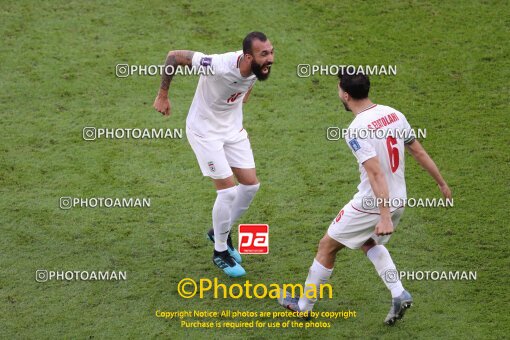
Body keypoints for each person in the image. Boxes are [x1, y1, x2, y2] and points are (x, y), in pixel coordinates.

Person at [278, 72, 452, 325]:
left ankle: (303, 306)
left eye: (339, 89)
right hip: (399, 199)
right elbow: (418, 151)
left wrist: (383, 216)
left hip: (373, 204)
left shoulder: (356, 129)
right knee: (369, 242)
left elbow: (375, 172)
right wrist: (442, 183)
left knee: (327, 245)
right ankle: (398, 293)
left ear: (345, 94)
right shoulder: (395, 114)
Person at [153, 32, 274, 278]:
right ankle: (220, 251)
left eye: (271, 52)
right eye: (264, 54)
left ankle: (219, 230)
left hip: (232, 130)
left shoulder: (257, 70)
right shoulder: (217, 65)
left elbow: (244, 91)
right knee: (228, 191)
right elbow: (174, 56)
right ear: (248, 56)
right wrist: (162, 95)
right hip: (204, 132)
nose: (270, 58)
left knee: (250, 186)